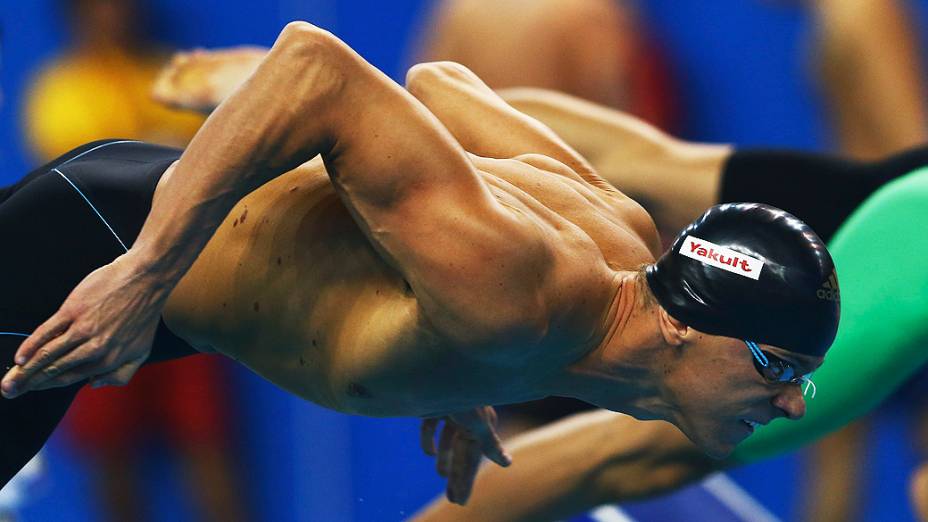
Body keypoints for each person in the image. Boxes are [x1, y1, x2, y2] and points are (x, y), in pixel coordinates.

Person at [0, 22, 836, 506]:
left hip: (158, 253)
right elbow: (315, 67)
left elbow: (441, 88)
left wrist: (461, 350)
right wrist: (143, 272)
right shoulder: (514, 294)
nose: (795, 403)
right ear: (690, 324)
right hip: (86, 246)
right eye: (778, 365)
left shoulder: (618, 235)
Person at [409, 89, 928, 521]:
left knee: (636, 173)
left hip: (903, 204)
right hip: (912, 236)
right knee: (638, 455)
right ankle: (398, 152)